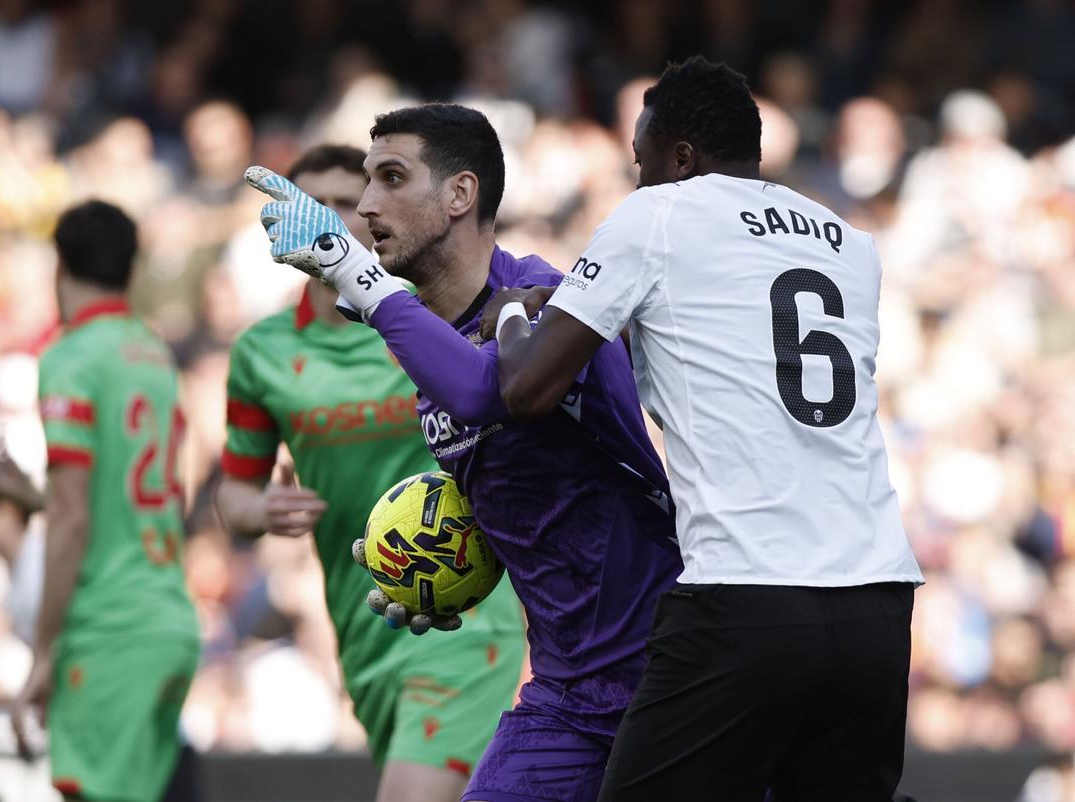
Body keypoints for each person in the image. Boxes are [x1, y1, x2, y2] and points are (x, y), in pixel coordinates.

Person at [480, 56, 924, 801]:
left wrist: (516, 313)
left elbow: (527, 388)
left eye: (641, 162)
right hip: (878, 601)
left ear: (680, 157)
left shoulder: (658, 214)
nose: (637, 179)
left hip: (746, 594)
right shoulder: (849, 242)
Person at [245, 104, 684, 802]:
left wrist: (350, 269)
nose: (365, 205)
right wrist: (441, 565)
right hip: (568, 693)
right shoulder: (424, 352)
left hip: (671, 679)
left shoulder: (549, 298)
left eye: (391, 178)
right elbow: (535, 500)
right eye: (366, 182)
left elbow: (490, 392)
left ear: (460, 194)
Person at [215, 144, 525, 802]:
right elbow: (234, 493)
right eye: (308, 204)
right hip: (363, 624)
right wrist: (257, 512)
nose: (327, 218)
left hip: (463, 609)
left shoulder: (422, 314)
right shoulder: (260, 352)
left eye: (342, 202)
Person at [12, 200, 201, 802]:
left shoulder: (70, 356)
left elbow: (73, 514)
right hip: (169, 615)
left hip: (109, 629)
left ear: (58, 267)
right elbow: (162, 485)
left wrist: (43, 647)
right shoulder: (153, 352)